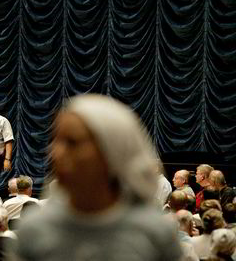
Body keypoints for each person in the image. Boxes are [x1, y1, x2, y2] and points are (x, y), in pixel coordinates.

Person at [9, 94, 181, 261]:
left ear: (111, 152)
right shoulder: (35, 229)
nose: (55, 153)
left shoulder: (156, 233)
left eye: (72, 142)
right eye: (55, 140)